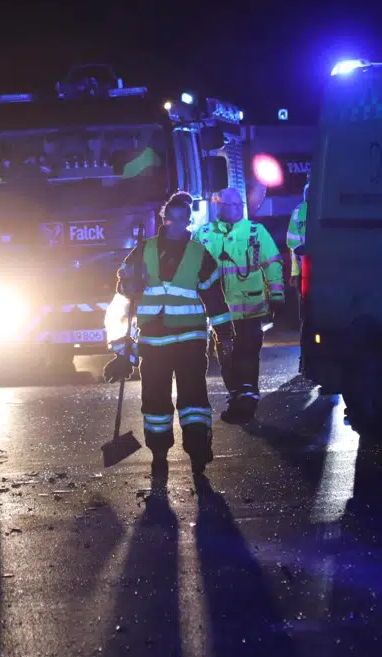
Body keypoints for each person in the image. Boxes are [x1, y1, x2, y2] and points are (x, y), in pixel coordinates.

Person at [113, 191, 233, 478]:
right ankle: (158, 451)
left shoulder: (199, 254)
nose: (179, 224)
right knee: (155, 399)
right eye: (173, 218)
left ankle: (198, 448)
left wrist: (224, 334)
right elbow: (123, 284)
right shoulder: (145, 249)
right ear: (164, 219)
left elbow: (214, 297)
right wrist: (130, 283)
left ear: (189, 221)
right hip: (153, 342)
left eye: (184, 219)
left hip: (190, 340)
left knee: (193, 397)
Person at [194, 186, 285, 423]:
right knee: (226, 357)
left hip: (250, 310)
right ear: (219, 207)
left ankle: (247, 401)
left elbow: (273, 262)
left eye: (236, 205)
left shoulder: (256, 232)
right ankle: (237, 396)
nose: (232, 209)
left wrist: (276, 294)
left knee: (248, 354)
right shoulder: (204, 234)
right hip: (221, 315)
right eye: (226, 206)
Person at [286, 182, 309, 375]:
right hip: (306, 271)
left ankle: (307, 359)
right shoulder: (299, 211)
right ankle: (305, 359)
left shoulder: (299, 211)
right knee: (306, 316)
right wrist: (295, 273)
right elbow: (293, 244)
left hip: (314, 269)